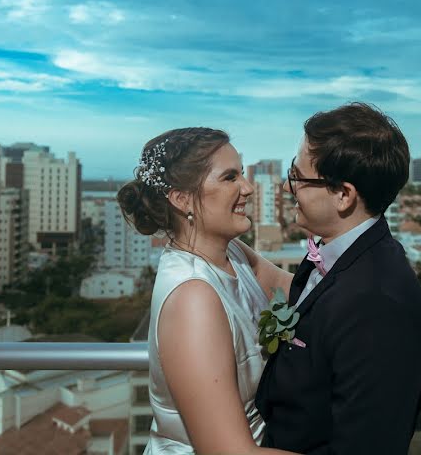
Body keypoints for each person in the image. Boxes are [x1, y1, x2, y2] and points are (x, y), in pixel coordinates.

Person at [255, 102, 421, 455]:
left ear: (343, 195)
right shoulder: (334, 255)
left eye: (297, 178)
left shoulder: (377, 306)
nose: (286, 188)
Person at [117, 127, 296, 455]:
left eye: (242, 174)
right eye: (230, 178)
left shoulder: (235, 254)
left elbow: (304, 292)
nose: (248, 188)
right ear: (182, 198)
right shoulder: (193, 299)